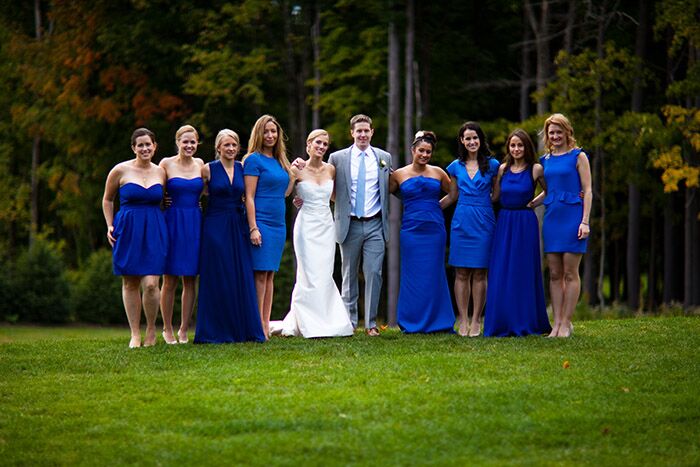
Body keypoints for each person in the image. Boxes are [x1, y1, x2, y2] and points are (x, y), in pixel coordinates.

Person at [270, 130, 354, 338]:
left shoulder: (331, 170)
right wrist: (293, 183)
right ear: (309, 144)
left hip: (326, 225)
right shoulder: (297, 169)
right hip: (306, 226)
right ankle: (304, 319)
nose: (322, 147)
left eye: (325, 144)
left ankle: (327, 319)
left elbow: (335, 197)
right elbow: (286, 193)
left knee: (324, 272)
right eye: (318, 142)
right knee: (308, 273)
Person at [194, 129, 265, 344]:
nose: (231, 149)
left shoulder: (242, 168)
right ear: (218, 147)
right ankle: (215, 330)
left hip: (238, 224)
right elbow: (194, 194)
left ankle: (241, 329)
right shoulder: (207, 169)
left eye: (234, 145)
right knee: (218, 274)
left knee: (239, 274)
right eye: (227, 145)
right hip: (215, 224)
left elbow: (251, 194)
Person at [102, 128, 168, 348]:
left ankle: (151, 329)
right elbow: (107, 200)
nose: (145, 148)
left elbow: (166, 199)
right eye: (140, 145)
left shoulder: (161, 172)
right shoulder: (120, 170)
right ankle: (134, 334)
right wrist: (110, 225)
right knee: (130, 281)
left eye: (148, 144)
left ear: (155, 146)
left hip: (154, 229)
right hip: (128, 228)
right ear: (133, 148)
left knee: (151, 284)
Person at [483, 129, 552, 337]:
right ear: (508, 148)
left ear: (526, 147)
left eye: (520, 145)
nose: (516, 149)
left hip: (525, 222)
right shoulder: (503, 169)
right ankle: (502, 321)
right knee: (502, 269)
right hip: (504, 221)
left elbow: (549, 191)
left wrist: (534, 202)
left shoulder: (536, 169)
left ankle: (525, 320)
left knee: (523, 270)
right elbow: (494, 196)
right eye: (512, 145)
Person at [328, 115, 392, 336]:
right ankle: (350, 321)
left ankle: (371, 323)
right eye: (359, 131)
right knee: (348, 274)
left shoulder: (384, 157)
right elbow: (325, 182)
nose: (363, 135)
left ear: (372, 132)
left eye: (366, 131)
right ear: (352, 133)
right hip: (350, 223)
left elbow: (391, 185)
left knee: (374, 272)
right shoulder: (338, 158)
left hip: (375, 223)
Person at [531, 114, 592, 338]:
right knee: (555, 273)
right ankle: (555, 324)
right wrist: (529, 204)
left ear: (567, 132)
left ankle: (566, 323)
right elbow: (548, 191)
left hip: (574, 217)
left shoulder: (579, 156)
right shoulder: (544, 160)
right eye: (551, 133)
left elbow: (588, 190)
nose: (555, 136)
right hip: (552, 218)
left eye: (559, 132)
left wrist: (585, 221)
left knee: (570, 272)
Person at [389, 131, 455, 333]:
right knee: (412, 275)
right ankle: (412, 320)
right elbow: (384, 192)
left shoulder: (438, 172)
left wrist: (436, 207)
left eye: (428, 152)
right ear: (413, 150)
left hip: (434, 230)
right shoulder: (398, 174)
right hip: (411, 230)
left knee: (434, 273)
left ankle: (438, 320)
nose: (425, 155)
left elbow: (453, 193)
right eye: (421, 151)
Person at [441, 122, 499, 337]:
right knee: (462, 272)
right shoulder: (455, 166)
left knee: (480, 272)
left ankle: (476, 320)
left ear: (480, 140)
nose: (472, 142)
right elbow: (452, 196)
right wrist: (429, 208)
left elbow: (497, 196)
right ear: (462, 141)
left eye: (475, 138)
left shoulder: (493, 165)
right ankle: (463, 320)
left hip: (484, 220)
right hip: (462, 221)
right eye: (468, 138)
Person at [243, 115, 295, 339]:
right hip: (261, 221)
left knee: (270, 274)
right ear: (259, 134)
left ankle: (265, 323)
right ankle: (256, 325)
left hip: (278, 223)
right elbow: (249, 196)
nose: (271, 135)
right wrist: (253, 227)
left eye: (274, 131)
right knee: (260, 275)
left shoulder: (279, 161)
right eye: (266, 131)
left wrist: (293, 175)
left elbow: (283, 193)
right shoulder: (253, 160)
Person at [158, 125, 204, 344]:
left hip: (194, 221)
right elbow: (154, 189)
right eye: (185, 141)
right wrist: (161, 201)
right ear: (177, 142)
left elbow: (208, 189)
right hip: (172, 222)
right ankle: (166, 328)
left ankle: (184, 329)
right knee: (169, 279)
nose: (189, 145)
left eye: (193, 142)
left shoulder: (201, 165)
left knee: (190, 278)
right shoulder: (166, 164)